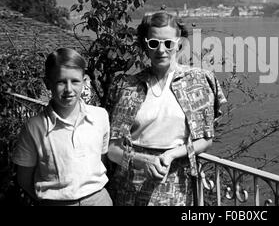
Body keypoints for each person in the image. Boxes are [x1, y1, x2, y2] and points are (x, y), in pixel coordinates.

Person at [108, 12, 227, 206]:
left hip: (178, 186)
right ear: (145, 46)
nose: (161, 50)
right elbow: (112, 149)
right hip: (131, 187)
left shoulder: (199, 82)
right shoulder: (127, 87)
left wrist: (172, 154)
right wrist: (142, 160)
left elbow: (205, 139)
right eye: (154, 43)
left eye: (168, 43)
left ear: (178, 43)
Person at [12, 48, 112, 206]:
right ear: (48, 83)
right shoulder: (35, 127)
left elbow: (102, 159)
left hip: (98, 199)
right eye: (61, 82)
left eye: (75, 81)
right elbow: (24, 179)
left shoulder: (100, 117)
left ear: (85, 81)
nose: (69, 89)